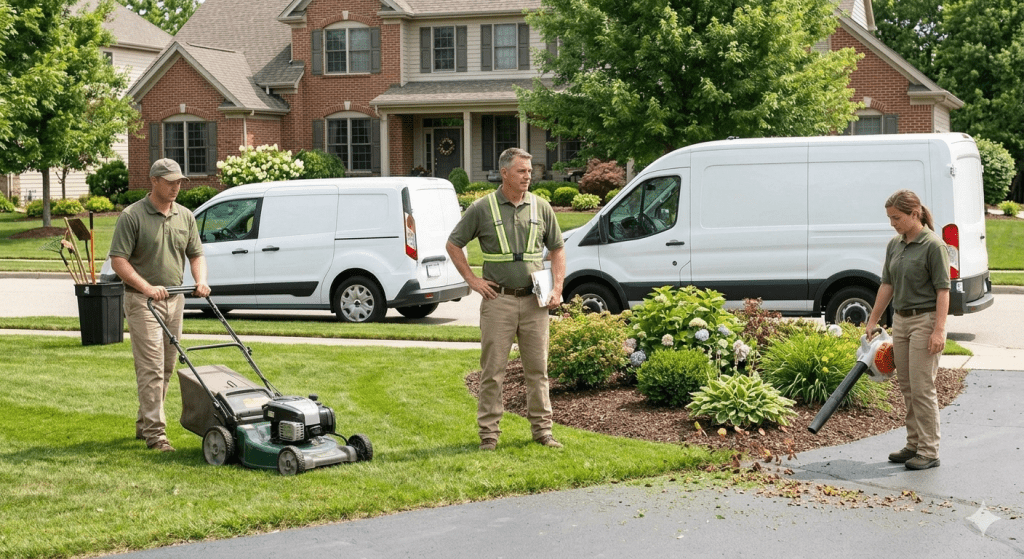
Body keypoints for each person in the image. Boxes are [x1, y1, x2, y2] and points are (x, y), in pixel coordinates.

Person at [446, 148, 566, 451]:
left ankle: (543, 432)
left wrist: (558, 289)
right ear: (504, 173)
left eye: (529, 171)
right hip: (498, 301)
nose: (528, 176)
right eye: (521, 171)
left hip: (535, 301)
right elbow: (453, 244)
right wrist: (472, 281)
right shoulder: (482, 208)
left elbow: (557, 249)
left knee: (538, 371)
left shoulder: (541, 207)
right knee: (492, 372)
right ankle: (489, 435)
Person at [109, 159, 211, 452]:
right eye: (170, 182)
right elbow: (118, 260)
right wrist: (147, 288)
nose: (176, 187)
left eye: (179, 181)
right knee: (151, 368)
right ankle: (157, 435)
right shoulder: (132, 216)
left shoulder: (185, 216)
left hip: (174, 300)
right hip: (142, 302)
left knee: (166, 367)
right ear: (153, 180)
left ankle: (144, 424)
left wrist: (200, 280)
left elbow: (196, 255)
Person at [865, 189, 950, 470]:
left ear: (915, 214)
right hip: (900, 321)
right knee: (907, 386)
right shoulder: (895, 244)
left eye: (897, 217)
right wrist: (873, 320)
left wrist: (939, 330)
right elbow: (886, 285)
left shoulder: (933, 245)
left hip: (925, 322)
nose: (892, 223)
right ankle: (913, 444)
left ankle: (929, 450)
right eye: (890, 218)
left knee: (923, 387)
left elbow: (943, 291)